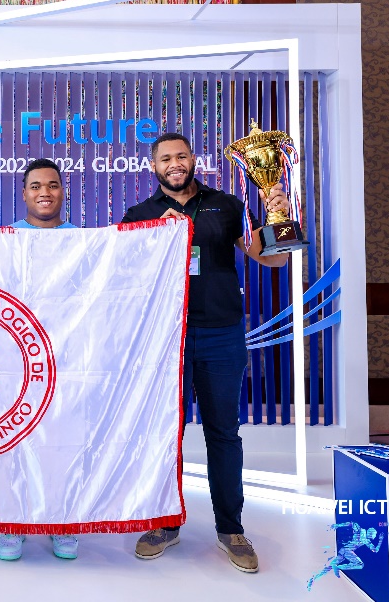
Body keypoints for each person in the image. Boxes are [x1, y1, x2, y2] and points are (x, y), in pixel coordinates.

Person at [121, 132, 289, 574]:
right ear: (153, 166)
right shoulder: (139, 215)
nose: (174, 164)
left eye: (181, 156)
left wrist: (279, 216)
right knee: (165, 435)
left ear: (193, 159)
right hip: (164, 340)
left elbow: (273, 259)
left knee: (224, 434)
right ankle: (163, 523)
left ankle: (231, 529)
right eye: (165, 159)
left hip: (221, 335)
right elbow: (124, 277)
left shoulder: (228, 205)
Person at [0, 158, 78, 562]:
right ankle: (13, 522)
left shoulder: (84, 240)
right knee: (14, 442)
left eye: (53, 185)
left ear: (63, 191)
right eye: (36, 186)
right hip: (17, 357)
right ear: (24, 194)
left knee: (62, 441)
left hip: (65, 355)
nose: (45, 192)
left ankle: (61, 521)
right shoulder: (4, 238)